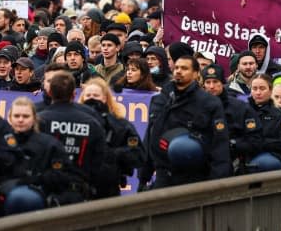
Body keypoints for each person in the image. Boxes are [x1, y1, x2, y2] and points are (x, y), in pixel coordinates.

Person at [140, 56, 230, 189]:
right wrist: (143, 176)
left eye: (184, 68)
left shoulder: (209, 103)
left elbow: (220, 144)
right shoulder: (161, 100)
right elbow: (151, 135)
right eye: (176, 68)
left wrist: (217, 181)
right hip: (163, 174)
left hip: (194, 175)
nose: (178, 71)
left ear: (195, 74)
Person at [0, 97, 86, 215]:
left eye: (25, 116)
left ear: (34, 118)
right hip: (0, 198)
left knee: (23, 198)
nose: (20, 120)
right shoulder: (0, 142)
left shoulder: (50, 144)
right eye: (16, 116)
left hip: (37, 198)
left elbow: (61, 175)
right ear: (9, 118)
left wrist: (36, 180)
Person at [38, 72, 107, 200]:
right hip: (79, 194)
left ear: (49, 93)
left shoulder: (39, 121)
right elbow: (99, 160)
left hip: (46, 194)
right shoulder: (92, 122)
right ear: (74, 94)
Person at [79, 79, 144, 198]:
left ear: (105, 98)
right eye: (88, 95)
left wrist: (114, 154)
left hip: (108, 188)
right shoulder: (75, 123)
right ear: (82, 98)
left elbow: (138, 155)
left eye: (96, 95)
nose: (91, 98)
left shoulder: (120, 124)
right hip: (79, 188)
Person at [201, 64, 263, 175]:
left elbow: (255, 140)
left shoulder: (240, 107)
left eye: (215, 82)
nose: (211, 86)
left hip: (231, 158)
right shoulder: (196, 106)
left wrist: (233, 145)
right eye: (208, 82)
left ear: (222, 83)